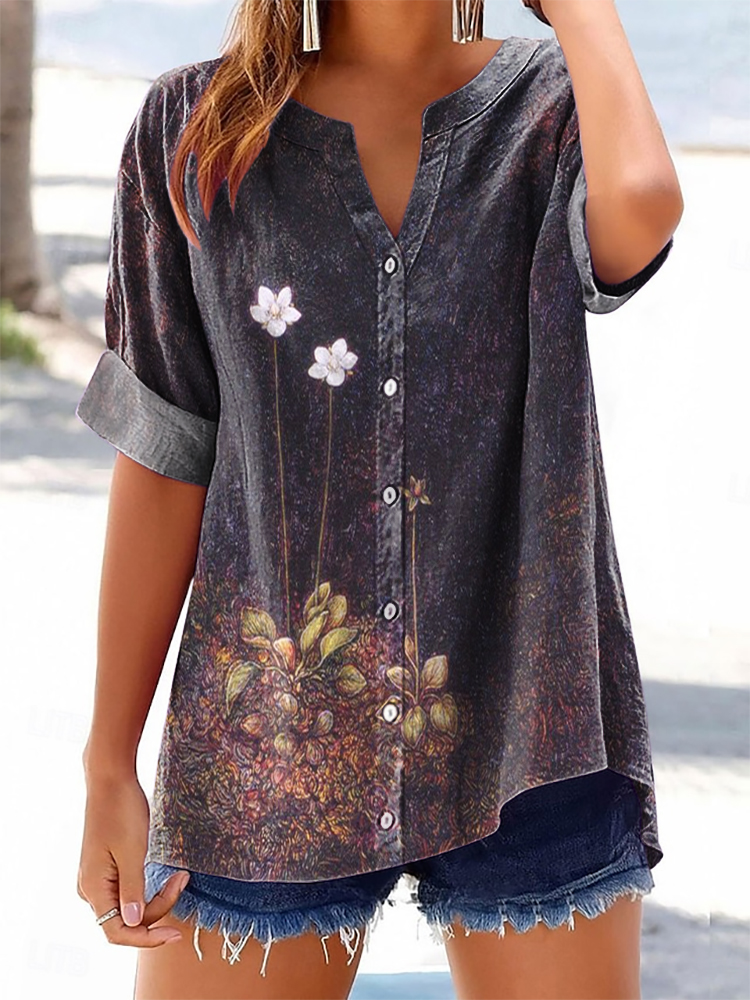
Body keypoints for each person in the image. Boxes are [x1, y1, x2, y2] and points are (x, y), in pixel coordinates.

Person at [75, 0, 683, 997]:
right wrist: (109, 761)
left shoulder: (552, 108)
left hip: (532, 725)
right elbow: (165, 450)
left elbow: (642, 212)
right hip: (265, 740)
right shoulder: (192, 130)